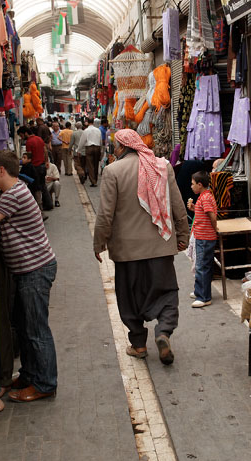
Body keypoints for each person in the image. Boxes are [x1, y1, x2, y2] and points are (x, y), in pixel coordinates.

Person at [93, 129, 189, 365]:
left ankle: (138, 345)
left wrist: (99, 243)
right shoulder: (162, 167)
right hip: (160, 245)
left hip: (127, 251)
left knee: (128, 298)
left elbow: (105, 213)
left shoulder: (112, 171)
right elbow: (177, 204)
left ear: (122, 147)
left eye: (115, 146)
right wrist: (183, 234)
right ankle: (164, 331)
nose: (114, 150)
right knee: (167, 292)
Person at [0, 149, 58, 403]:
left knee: (35, 329)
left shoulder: (13, 195)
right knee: (24, 327)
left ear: (1, 171)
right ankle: (30, 374)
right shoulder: (15, 191)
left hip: (35, 270)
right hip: (29, 270)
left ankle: (44, 383)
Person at [187, 170, 218, 308]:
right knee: (202, 265)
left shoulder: (205, 198)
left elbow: (211, 215)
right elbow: (204, 213)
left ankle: (204, 297)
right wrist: (195, 209)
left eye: (193, 184)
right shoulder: (203, 196)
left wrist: (214, 227)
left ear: (200, 184)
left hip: (205, 237)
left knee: (202, 266)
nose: (191, 186)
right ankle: (200, 291)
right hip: (202, 236)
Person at [17, 126, 48, 220]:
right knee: (42, 186)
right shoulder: (39, 138)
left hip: (35, 167)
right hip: (42, 166)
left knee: (35, 190)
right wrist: (46, 162)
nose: (22, 138)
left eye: (22, 135)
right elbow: (45, 151)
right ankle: (47, 205)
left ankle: (38, 212)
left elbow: (29, 155)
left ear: (26, 133)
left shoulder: (29, 142)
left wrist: (22, 162)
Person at [77, 116, 102, 187]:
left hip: (89, 148)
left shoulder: (86, 131)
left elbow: (82, 141)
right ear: (93, 122)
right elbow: (100, 141)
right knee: (96, 164)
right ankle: (95, 179)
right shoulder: (98, 130)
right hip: (97, 147)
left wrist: (78, 150)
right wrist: (101, 149)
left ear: (87, 122)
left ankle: (93, 181)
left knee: (90, 165)